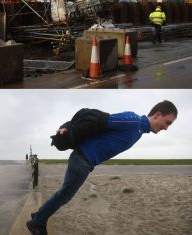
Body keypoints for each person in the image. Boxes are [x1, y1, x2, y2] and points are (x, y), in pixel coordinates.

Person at [26, 100, 178, 235]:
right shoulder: (133, 121)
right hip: (82, 160)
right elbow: (98, 120)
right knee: (65, 194)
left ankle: (38, 215)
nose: (166, 128)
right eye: (168, 122)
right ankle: (37, 223)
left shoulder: (139, 130)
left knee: (64, 193)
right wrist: (69, 129)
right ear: (157, 115)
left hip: (85, 162)